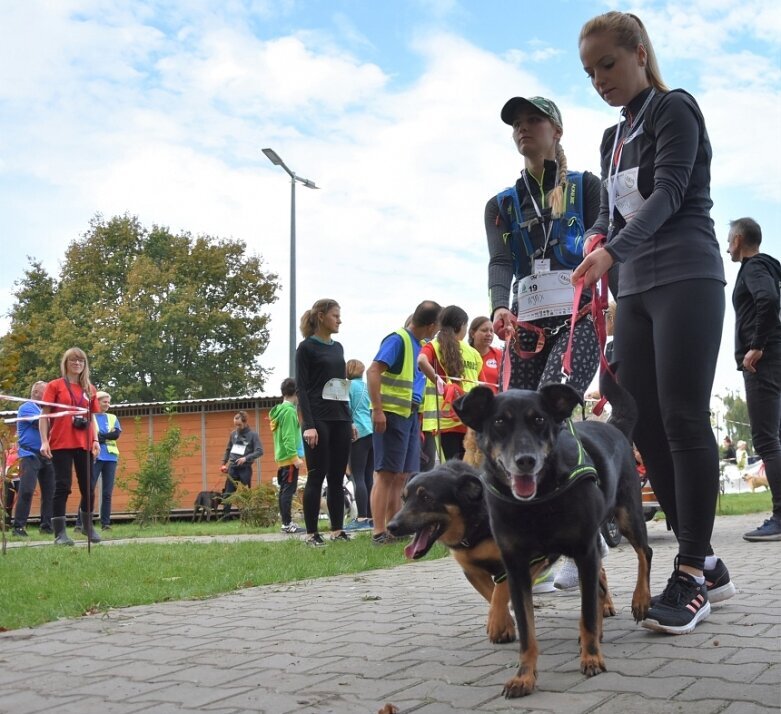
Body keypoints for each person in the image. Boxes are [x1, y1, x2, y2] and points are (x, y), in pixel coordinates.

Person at [576, 11, 733, 634]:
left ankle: (691, 571)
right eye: (589, 72)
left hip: (687, 274)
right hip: (634, 288)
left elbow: (668, 193)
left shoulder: (674, 109)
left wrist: (613, 250)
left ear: (639, 53)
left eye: (607, 64)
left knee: (684, 416)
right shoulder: (611, 138)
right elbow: (615, 216)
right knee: (639, 423)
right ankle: (709, 561)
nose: (598, 80)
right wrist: (600, 242)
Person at [487, 95, 601, 396]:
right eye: (517, 124)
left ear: (557, 131)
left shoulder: (586, 186)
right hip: (524, 323)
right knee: (511, 415)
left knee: (549, 410)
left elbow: (604, 246)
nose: (523, 128)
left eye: (534, 120)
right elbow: (500, 261)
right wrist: (499, 306)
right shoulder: (501, 205)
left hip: (579, 319)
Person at [367, 300, 441, 544]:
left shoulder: (418, 346)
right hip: (389, 415)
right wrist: (378, 410)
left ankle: (392, 527)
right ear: (431, 326)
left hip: (408, 416)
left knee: (402, 476)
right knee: (386, 474)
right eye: (437, 327)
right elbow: (373, 371)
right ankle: (378, 531)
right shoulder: (398, 339)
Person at [726, 218, 781, 541]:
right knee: (775, 438)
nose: (727, 246)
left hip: (763, 361)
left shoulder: (755, 267)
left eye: (729, 240)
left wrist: (756, 347)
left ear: (740, 239)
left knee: (766, 441)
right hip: (774, 358)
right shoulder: (770, 268)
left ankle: (779, 517)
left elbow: (768, 301)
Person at [296, 298, 353, 546]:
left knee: (337, 477)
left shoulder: (338, 347)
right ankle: (311, 533)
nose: (339, 320)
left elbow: (341, 386)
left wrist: (349, 418)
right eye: (335, 315)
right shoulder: (306, 348)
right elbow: (302, 389)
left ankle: (337, 530)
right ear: (321, 316)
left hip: (339, 418)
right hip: (318, 419)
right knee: (317, 474)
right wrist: (308, 425)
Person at [40, 347, 101, 545]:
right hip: (60, 443)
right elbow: (45, 415)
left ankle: (87, 526)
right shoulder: (55, 385)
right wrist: (44, 441)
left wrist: (95, 440)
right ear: (66, 363)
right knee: (63, 486)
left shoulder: (89, 389)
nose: (77, 364)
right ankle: (60, 533)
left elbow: (91, 418)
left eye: (81, 361)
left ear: (85, 365)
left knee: (89, 487)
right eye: (73, 360)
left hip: (83, 443)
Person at [418, 306, 483, 462]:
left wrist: (440, 383)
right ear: (460, 325)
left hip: (444, 419)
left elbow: (420, 361)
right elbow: (481, 385)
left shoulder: (434, 345)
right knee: (468, 468)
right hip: (469, 417)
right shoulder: (473, 353)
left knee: (451, 470)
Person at [12, 381, 54, 537]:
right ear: (36, 392)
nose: (49, 395)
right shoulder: (27, 407)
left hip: (46, 455)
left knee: (50, 492)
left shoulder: (46, 410)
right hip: (29, 455)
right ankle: (19, 527)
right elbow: (42, 423)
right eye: (46, 391)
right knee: (27, 490)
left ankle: (46, 526)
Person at [270, 377, 305, 534]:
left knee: (284, 490)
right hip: (289, 459)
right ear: (296, 392)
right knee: (287, 492)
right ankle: (287, 523)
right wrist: (294, 458)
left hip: (282, 458)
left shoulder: (279, 410)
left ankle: (286, 522)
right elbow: (288, 437)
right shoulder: (290, 412)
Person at [345, 359, 374, 532]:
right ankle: (371, 517)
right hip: (371, 432)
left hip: (357, 433)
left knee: (358, 476)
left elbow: (346, 409)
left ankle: (361, 517)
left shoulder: (347, 387)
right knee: (369, 476)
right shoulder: (368, 387)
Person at [220, 410, 263, 519]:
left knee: (245, 493)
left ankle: (247, 516)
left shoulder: (253, 435)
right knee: (228, 493)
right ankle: (225, 516)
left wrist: (246, 458)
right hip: (233, 467)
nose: (237, 427)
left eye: (239, 425)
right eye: (235, 425)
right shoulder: (233, 434)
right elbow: (228, 449)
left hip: (245, 468)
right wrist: (223, 463)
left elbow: (259, 451)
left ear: (245, 422)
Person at [468, 316, 502, 394]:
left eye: (491, 331)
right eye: (484, 330)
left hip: (493, 403)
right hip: (468, 403)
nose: (489, 334)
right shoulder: (463, 353)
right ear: (473, 334)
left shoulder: (499, 354)